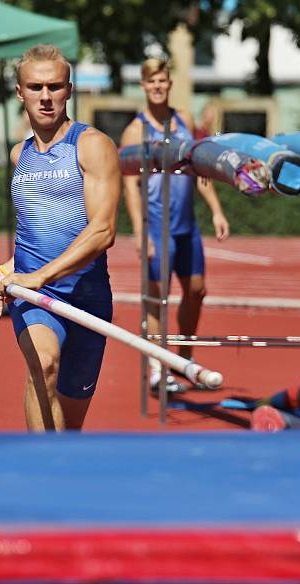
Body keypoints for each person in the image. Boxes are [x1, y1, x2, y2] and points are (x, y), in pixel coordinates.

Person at [0, 44, 122, 432]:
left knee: (70, 424)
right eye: (35, 87)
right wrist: (7, 273)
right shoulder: (20, 153)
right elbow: (32, 235)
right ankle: (40, 466)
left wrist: (40, 275)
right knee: (44, 364)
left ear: (69, 90)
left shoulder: (92, 146)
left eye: (54, 87)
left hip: (88, 299)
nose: (46, 97)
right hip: (36, 297)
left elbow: (102, 231)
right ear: (20, 92)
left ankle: (61, 469)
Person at [120, 58, 230, 393]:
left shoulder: (183, 119)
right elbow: (129, 185)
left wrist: (216, 211)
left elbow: (198, 169)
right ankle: (156, 367)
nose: (157, 86)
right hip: (157, 225)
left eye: (162, 81)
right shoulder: (136, 130)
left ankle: (183, 357)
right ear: (143, 85)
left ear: (169, 84)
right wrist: (140, 233)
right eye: (151, 81)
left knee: (197, 290)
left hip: (187, 225)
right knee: (158, 296)